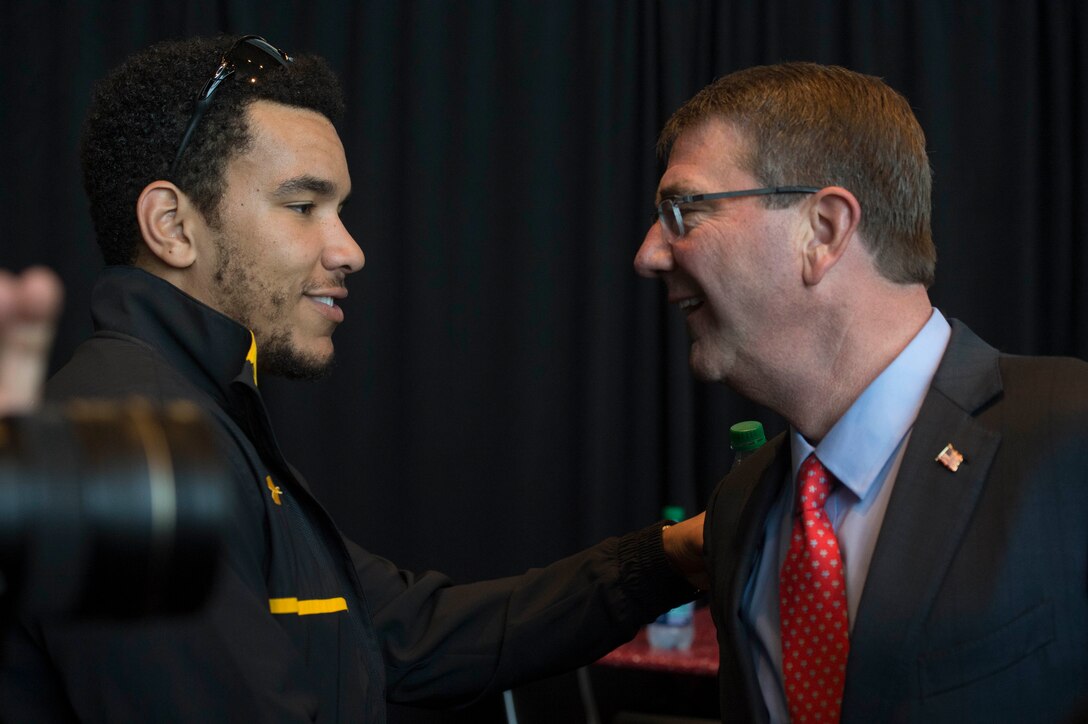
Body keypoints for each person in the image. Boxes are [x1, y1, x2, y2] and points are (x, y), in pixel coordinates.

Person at [0, 35, 705, 722]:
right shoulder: (121, 447)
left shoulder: (205, 417)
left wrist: (668, 558)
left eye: (339, 211)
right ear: (172, 225)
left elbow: (409, 633)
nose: (350, 249)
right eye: (304, 207)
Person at [634, 62, 1088, 724]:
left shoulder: (1069, 435)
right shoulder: (740, 505)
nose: (649, 253)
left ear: (822, 231)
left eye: (684, 210)